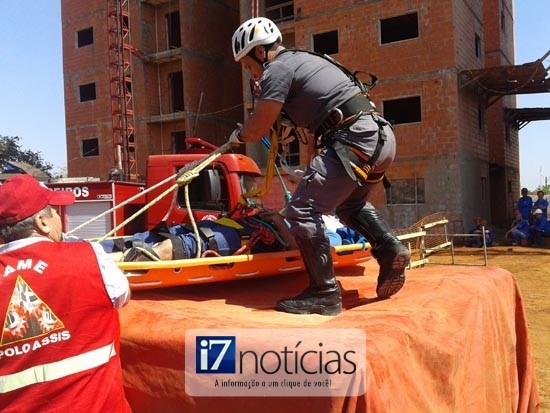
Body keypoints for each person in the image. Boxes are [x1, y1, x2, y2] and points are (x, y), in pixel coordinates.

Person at [229, 17, 410, 315]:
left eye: (249, 65)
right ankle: (390, 250)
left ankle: (324, 293)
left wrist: (240, 135)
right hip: (379, 137)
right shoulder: (306, 60)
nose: (252, 73)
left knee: (301, 210)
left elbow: (258, 126)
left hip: (353, 138)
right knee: (350, 206)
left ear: (260, 52)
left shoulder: (277, 69)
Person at [0, 175, 131, 412]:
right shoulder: (89, 256)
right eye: (54, 211)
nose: (60, 217)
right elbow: (124, 295)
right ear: (42, 223)